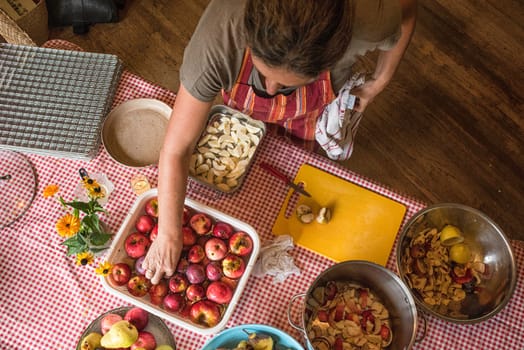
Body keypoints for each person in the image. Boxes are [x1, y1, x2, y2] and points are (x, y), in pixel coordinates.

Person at [142, 0, 417, 284]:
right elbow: (176, 148)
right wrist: (169, 233)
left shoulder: (370, 18)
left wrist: (380, 80)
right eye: (262, 73)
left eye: (289, 84)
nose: (271, 90)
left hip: (308, 115)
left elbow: (407, 10)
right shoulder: (216, 43)